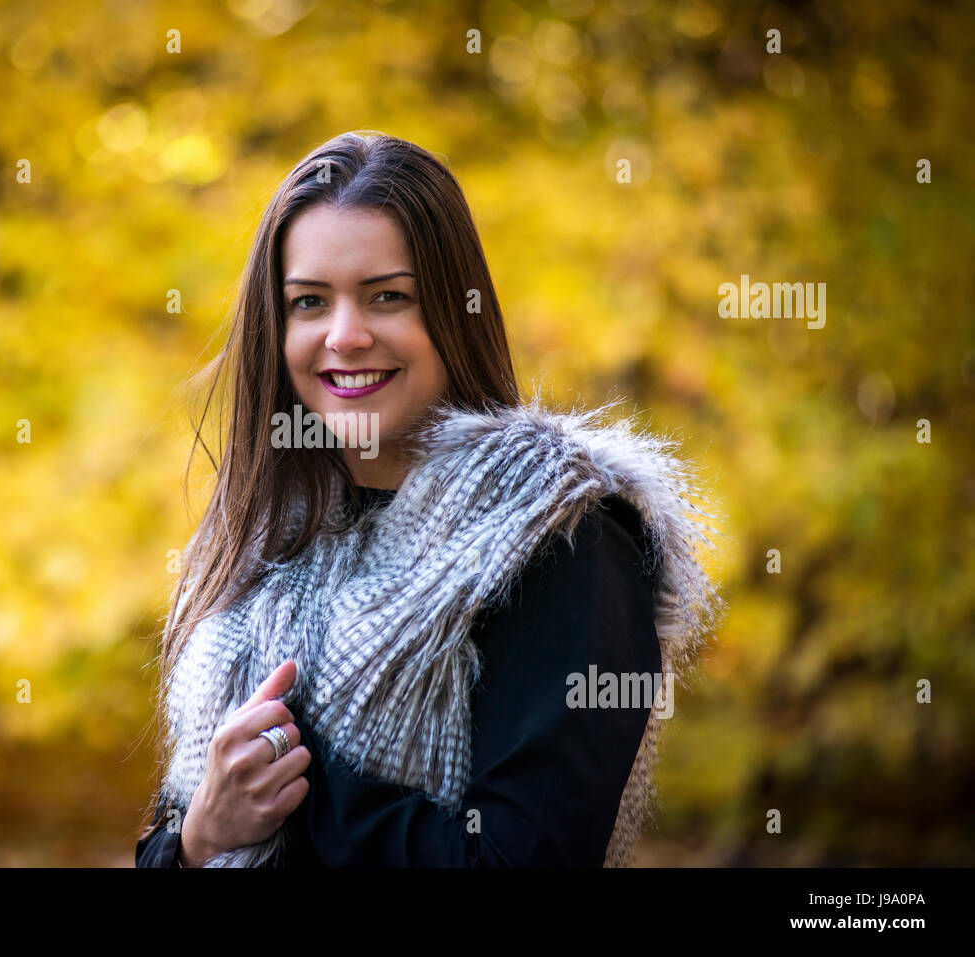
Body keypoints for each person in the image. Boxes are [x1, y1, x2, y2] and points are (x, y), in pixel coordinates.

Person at [135, 131, 725, 868]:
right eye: (309, 302)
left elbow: (520, 859)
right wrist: (198, 839)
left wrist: (303, 781)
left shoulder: (559, 533)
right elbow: (181, 832)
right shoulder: (262, 547)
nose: (345, 336)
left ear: (453, 309)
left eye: (388, 296)